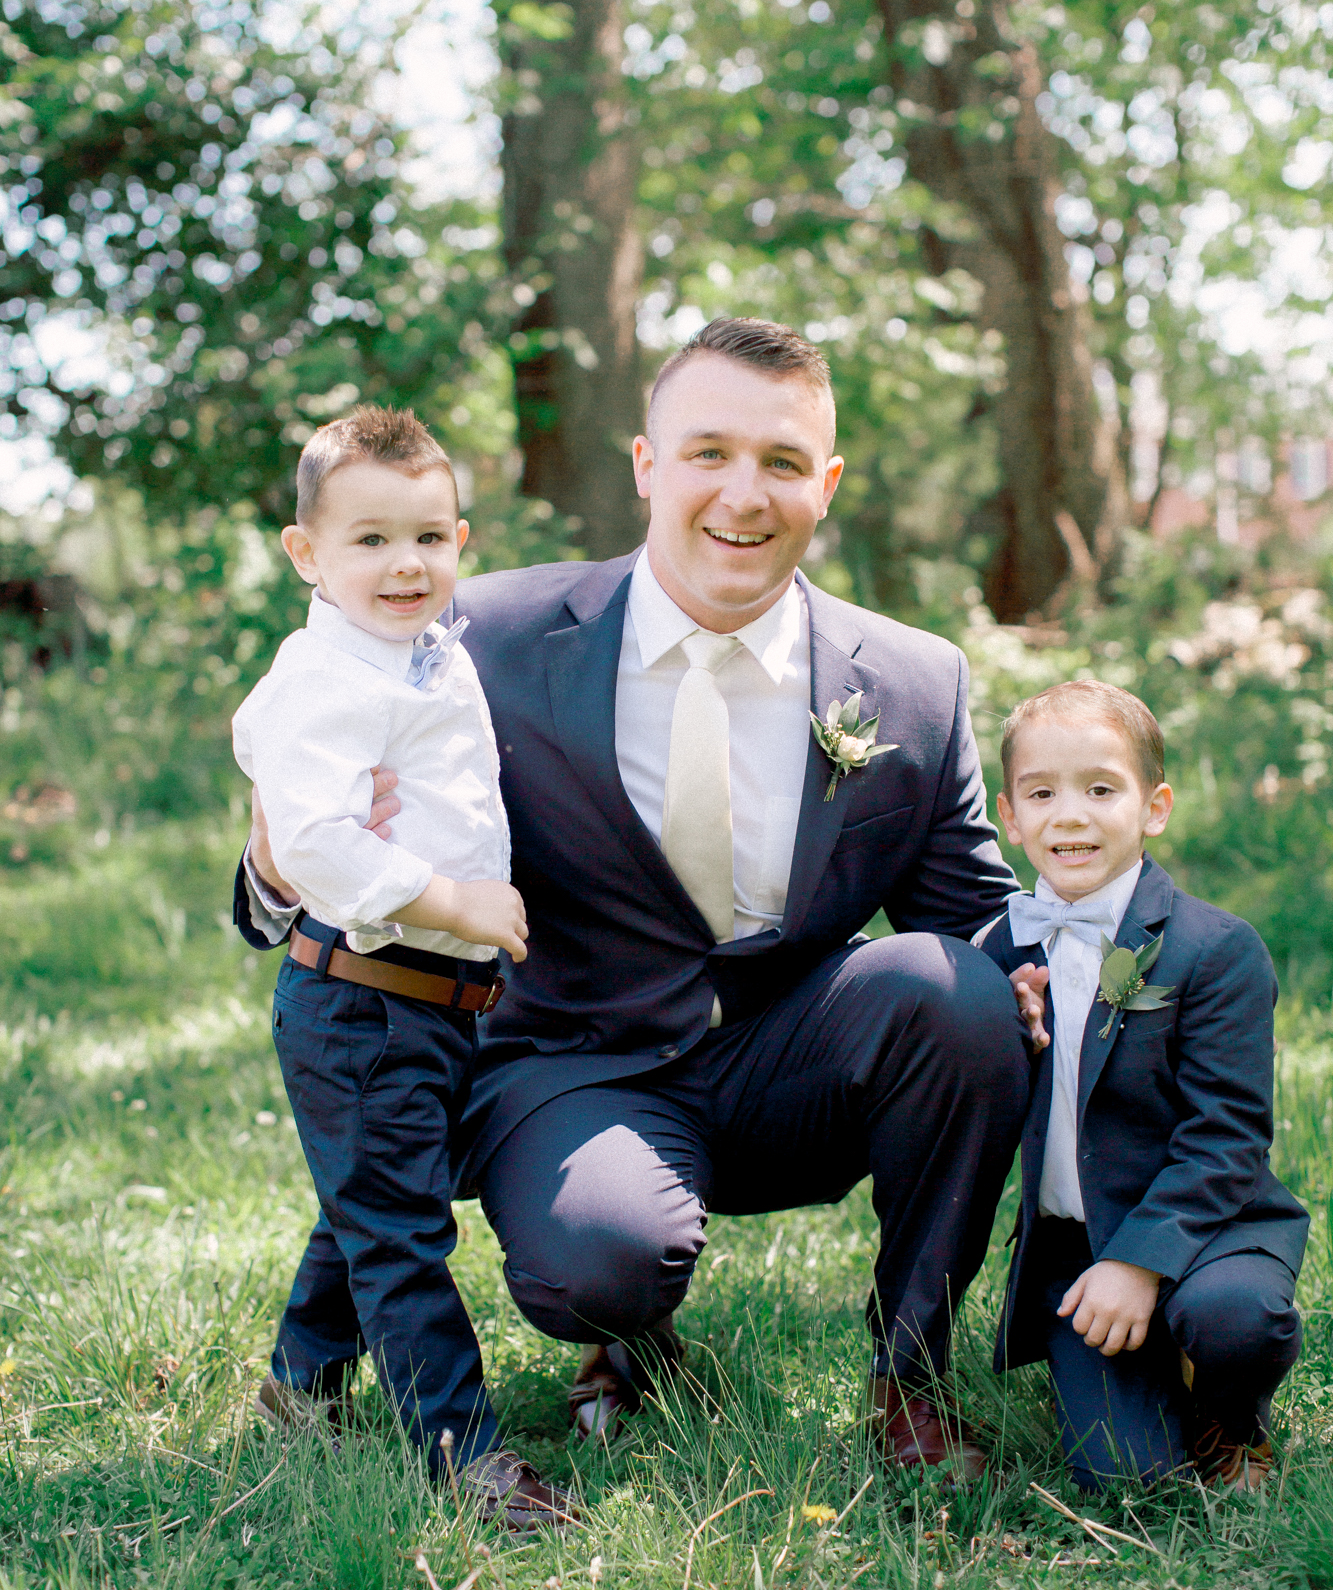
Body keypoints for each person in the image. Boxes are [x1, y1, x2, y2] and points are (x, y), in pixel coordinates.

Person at [241, 319, 1030, 1486]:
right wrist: (275, 857)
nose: (741, 494)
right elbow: (300, 835)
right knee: (601, 1259)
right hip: (571, 1067)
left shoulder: (913, 679)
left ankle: (909, 1379)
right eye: (706, 451)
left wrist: (1088, 971)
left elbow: (974, 909)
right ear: (648, 466)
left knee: (961, 993)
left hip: (788, 1063)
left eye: (779, 460)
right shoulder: (479, 636)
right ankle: (624, 1327)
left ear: (826, 481)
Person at [232, 404, 573, 1530]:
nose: (403, 562)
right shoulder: (323, 677)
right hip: (364, 995)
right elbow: (316, 840)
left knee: (373, 1197)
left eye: (426, 536)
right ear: (305, 553)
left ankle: (300, 1384)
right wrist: (454, 899)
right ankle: (463, 1455)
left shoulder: (425, 649)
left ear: (461, 540)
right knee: (398, 1231)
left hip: (432, 1000)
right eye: (368, 538)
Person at [980, 679, 1308, 1492]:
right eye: (1042, 793)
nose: (1070, 815)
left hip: (1206, 1229)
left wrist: (1141, 1261)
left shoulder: (1214, 949)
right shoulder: (995, 952)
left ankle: (1231, 1416)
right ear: (1009, 817)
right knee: (1127, 1479)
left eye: (1100, 789)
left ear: (1153, 806)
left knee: (1234, 1319)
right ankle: (1141, 1395)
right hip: (1074, 1247)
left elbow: (1227, 1136)